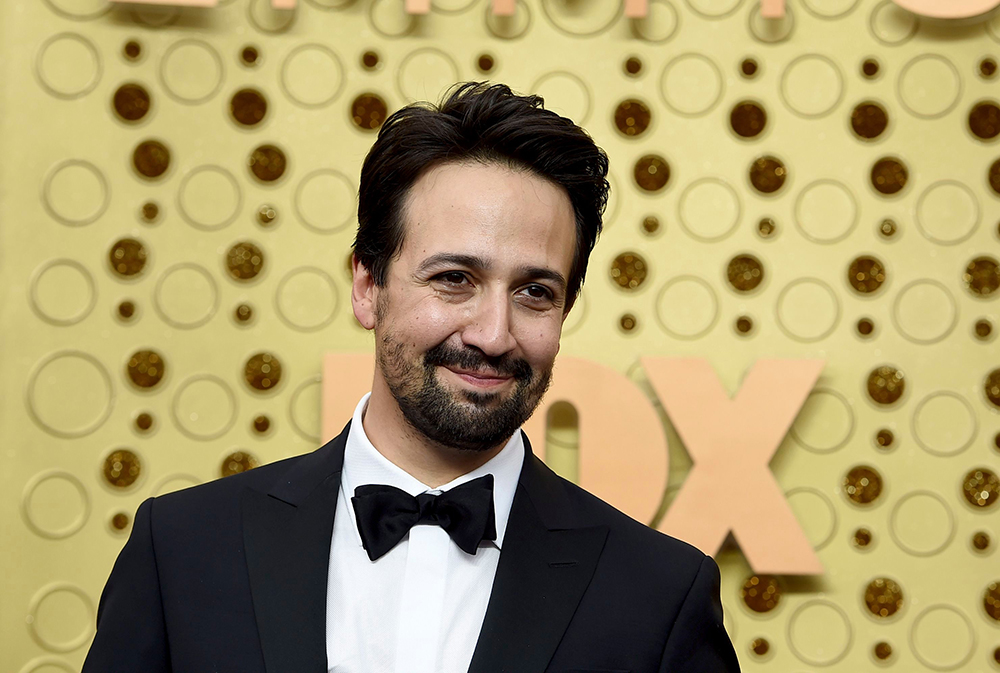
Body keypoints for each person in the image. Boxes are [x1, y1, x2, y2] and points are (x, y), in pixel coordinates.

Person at [83, 81, 741, 673]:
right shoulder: (181, 550)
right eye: (454, 279)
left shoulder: (659, 593)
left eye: (535, 291)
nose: (492, 333)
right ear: (368, 286)